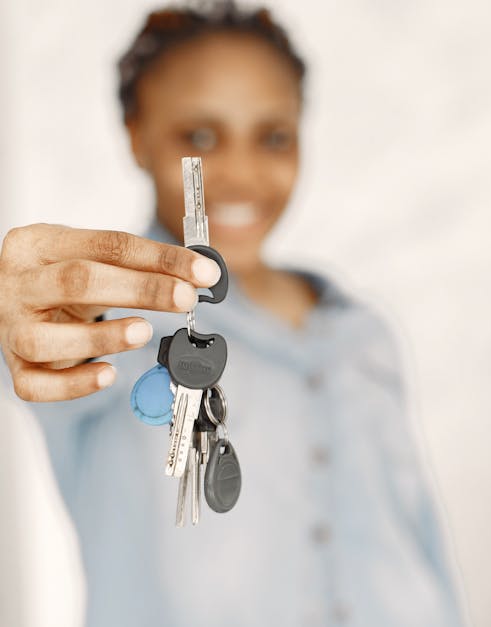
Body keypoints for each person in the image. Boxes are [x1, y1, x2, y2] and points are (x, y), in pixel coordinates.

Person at [0, 3, 466, 626]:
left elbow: (419, 535)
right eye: (199, 137)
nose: (241, 173)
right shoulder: (100, 318)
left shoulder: (361, 331)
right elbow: (27, 345)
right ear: (137, 135)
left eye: (273, 136)